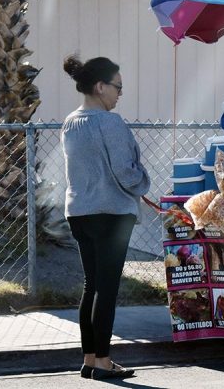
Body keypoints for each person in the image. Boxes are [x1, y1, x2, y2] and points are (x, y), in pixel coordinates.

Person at [61, 56, 150, 380]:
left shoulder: (71, 121)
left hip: (80, 212)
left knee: (92, 285)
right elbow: (126, 173)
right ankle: (103, 361)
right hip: (111, 213)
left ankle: (89, 359)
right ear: (100, 87)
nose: (119, 94)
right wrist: (143, 184)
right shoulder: (111, 123)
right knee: (107, 289)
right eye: (118, 87)